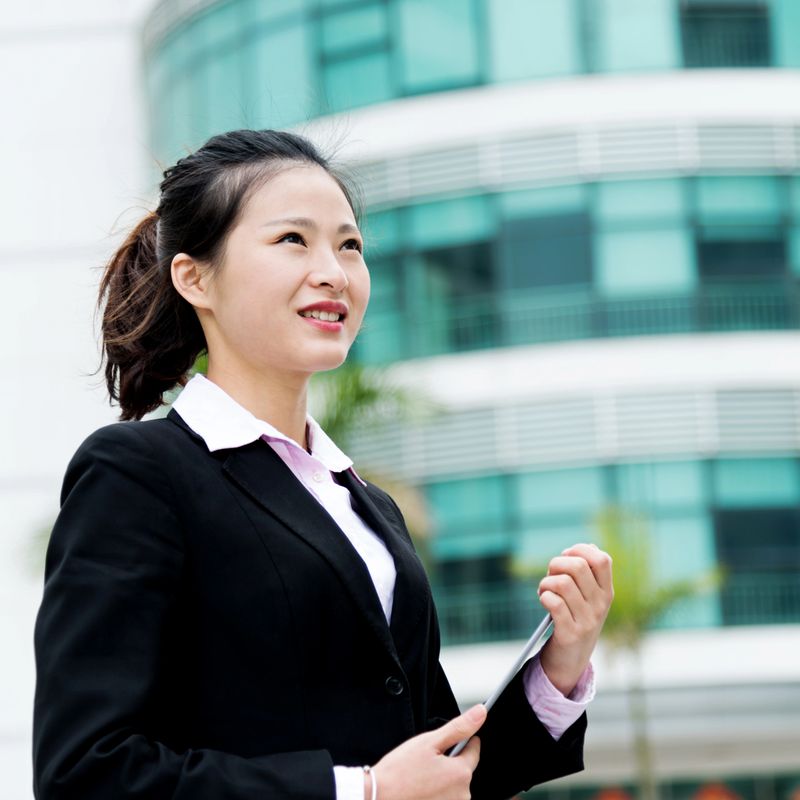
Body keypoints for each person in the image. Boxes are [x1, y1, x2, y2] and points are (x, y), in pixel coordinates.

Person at [32, 129, 614, 800]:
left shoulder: (368, 507)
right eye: (293, 241)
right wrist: (360, 791)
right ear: (194, 277)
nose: (334, 272)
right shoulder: (138, 475)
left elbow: (440, 774)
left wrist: (559, 668)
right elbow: (87, 774)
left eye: (350, 245)